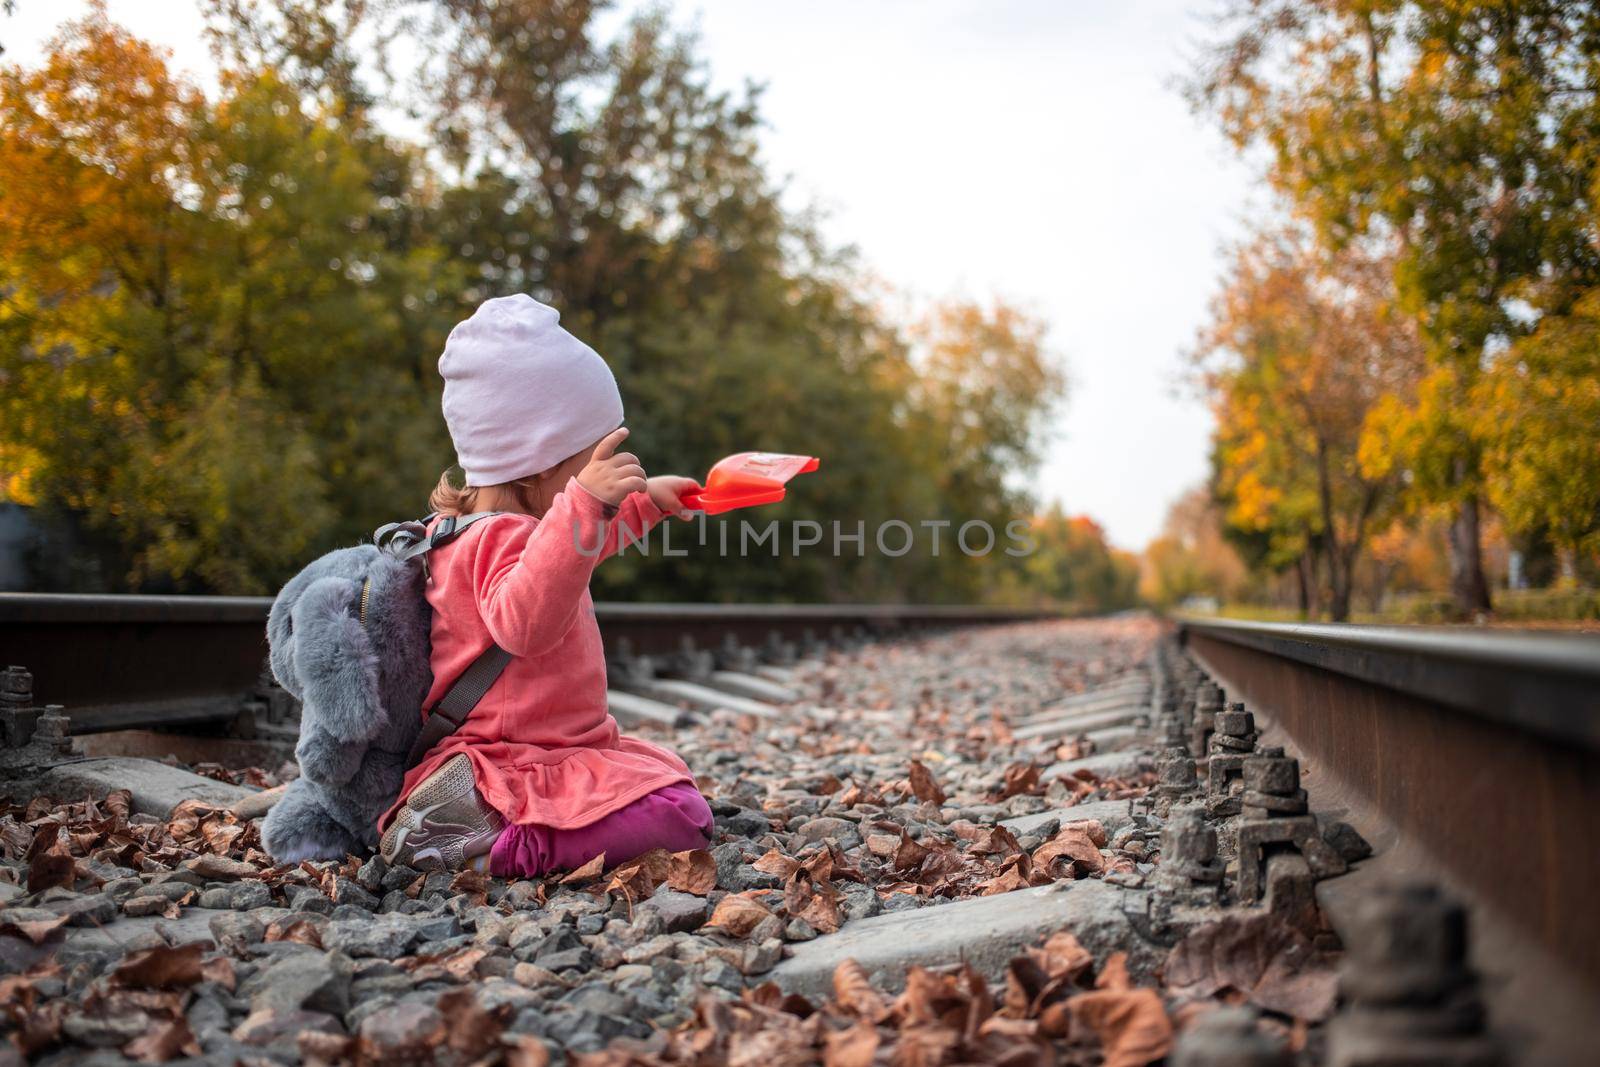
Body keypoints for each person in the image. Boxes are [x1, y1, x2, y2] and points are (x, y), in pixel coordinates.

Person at [378, 294, 712, 875]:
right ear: (539, 461)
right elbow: (523, 623)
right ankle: (501, 847)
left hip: (538, 749)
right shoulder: (499, 538)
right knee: (680, 813)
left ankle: (470, 822)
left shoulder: (472, 531)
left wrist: (648, 502)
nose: (610, 466)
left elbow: (576, 551)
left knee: (666, 778)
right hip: (515, 758)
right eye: (594, 457)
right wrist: (587, 504)